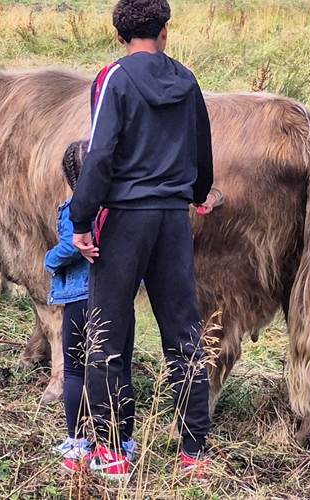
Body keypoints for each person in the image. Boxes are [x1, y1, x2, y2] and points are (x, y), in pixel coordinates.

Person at [68, 0, 219, 481]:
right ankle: (194, 452)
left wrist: (81, 217)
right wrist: (195, 195)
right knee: (184, 333)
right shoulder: (188, 80)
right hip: (173, 220)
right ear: (165, 29)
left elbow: (100, 155)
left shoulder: (113, 78)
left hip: (124, 221)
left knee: (107, 333)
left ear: (119, 35)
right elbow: (202, 150)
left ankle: (113, 452)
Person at [46, 142, 138, 473]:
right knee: (120, 366)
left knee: (75, 370)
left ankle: (79, 442)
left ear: (70, 176)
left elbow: (69, 249)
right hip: (120, 299)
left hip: (80, 299)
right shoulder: (124, 211)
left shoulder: (76, 209)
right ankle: (121, 441)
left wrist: (48, 259)